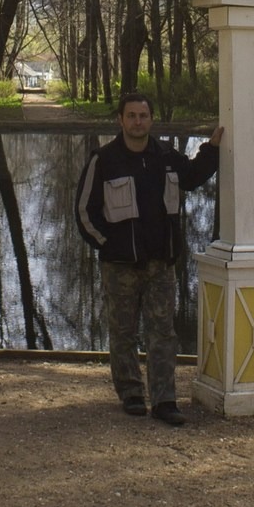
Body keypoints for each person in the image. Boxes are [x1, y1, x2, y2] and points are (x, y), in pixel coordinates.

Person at [74, 92, 222, 426]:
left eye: (143, 116)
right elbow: (85, 211)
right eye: (132, 116)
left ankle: (165, 400)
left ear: (151, 120)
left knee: (163, 333)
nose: (138, 122)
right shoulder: (104, 159)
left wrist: (212, 149)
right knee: (123, 332)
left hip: (161, 264)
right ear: (120, 120)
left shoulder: (166, 156)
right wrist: (107, 245)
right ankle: (131, 394)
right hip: (119, 267)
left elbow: (194, 177)